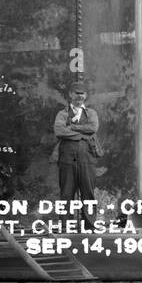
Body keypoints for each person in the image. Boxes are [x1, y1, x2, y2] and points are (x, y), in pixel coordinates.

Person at [53, 82, 99, 227]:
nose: (79, 96)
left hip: (87, 160)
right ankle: (65, 227)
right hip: (67, 160)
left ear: (85, 96)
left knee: (88, 194)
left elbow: (93, 127)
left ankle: (89, 227)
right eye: (76, 93)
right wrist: (81, 135)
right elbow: (59, 131)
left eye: (82, 93)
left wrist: (72, 127)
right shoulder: (63, 113)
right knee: (66, 194)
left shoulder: (91, 113)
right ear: (70, 95)